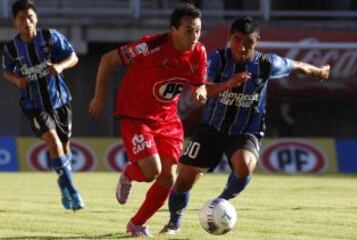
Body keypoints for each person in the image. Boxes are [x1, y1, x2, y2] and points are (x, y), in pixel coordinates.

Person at [160, 16, 330, 234]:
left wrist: (318, 72)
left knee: (245, 165)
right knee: (184, 179)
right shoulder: (216, 60)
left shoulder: (267, 63)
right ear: (230, 38)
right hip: (212, 129)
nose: (241, 47)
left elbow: (295, 66)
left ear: (257, 40)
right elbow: (202, 90)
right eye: (237, 40)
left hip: (246, 131)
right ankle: (174, 222)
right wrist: (228, 84)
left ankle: (222, 201)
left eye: (248, 42)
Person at [88, 3, 240, 237]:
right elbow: (108, 60)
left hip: (168, 120)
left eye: (198, 30)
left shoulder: (198, 52)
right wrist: (99, 96)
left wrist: (203, 89)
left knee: (169, 177)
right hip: (136, 117)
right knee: (151, 171)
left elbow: (199, 85)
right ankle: (130, 174)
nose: (194, 36)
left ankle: (137, 224)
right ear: (173, 30)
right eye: (189, 30)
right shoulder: (149, 47)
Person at [1, 0, 84, 211]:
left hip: (60, 101)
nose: (27, 22)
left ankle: (63, 183)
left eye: (30, 17)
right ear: (14, 22)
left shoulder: (49, 37)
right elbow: (6, 71)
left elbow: (73, 56)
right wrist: (16, 80)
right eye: (22, 18)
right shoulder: (11, 49)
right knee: (54, 144)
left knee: (65, 149)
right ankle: (74, 193)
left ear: (36, 18)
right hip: (34, 104)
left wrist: (59, 66)